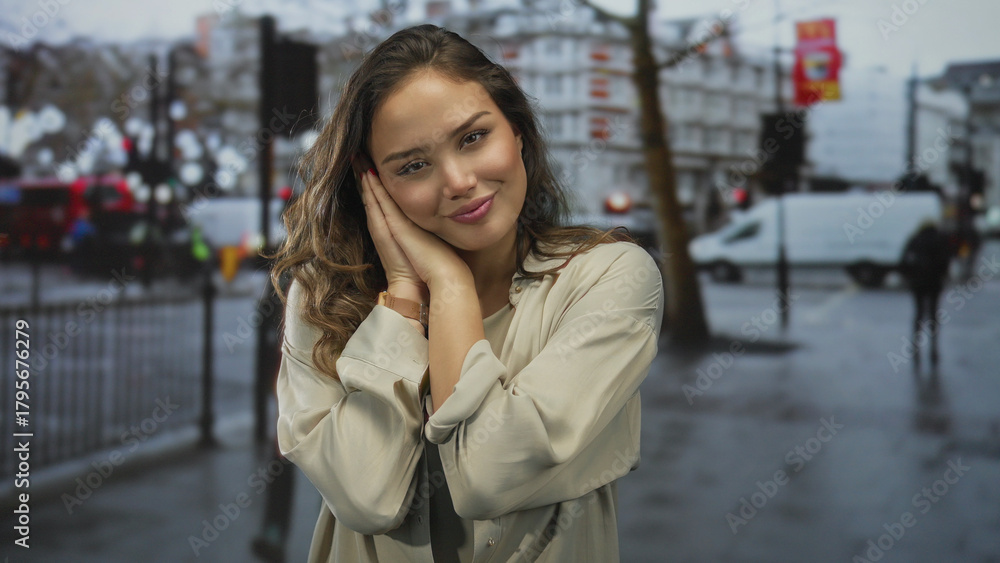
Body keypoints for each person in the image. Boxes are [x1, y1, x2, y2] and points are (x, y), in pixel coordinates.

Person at [269, 24, 663, 562]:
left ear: (517, 130)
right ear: (374, 187)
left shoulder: (607, 280)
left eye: (473, 138)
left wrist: (450, 290)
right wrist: (409, 294)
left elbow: (485, 476)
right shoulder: (322, 298)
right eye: (413, 165)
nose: (457, 181)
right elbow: (365, 501)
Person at [899, 220, 951, 367]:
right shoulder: (940, 240)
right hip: (934, 283)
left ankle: (916, 346)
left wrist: (909, 276)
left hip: (918, 283)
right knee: (933, 315)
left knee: (919, 313)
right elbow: (945, 261)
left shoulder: (915, 240)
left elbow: (904, 261)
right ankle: (933, 348)